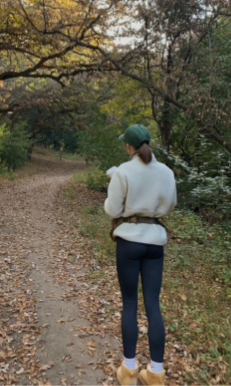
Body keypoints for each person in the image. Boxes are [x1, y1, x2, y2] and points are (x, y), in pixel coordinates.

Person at [104, 124, 176, 386]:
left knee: (130, 303)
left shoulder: (123, 172)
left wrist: (115, 185)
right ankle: (156, 372)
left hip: (129, 242)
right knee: (153, 305)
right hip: (156, 243)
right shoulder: (166, 172)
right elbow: (169, 205)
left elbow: (112, 210)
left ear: (128, 147)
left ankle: (129, 370)